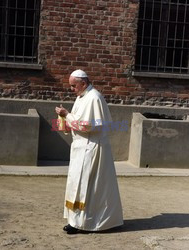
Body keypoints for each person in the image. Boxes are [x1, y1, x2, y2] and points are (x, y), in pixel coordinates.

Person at [55, 69, 123, 234]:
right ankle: (77, 221)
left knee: (88, 186)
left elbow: (87, 126)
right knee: (77, 184)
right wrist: (65, 118)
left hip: (91, 148)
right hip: (81, 148)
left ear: (83, 83)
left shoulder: (94, 98)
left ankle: (87, 223)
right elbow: (77, 121)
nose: (72, 89)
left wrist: (66, 114)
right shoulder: (81, 97)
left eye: (73, 86)